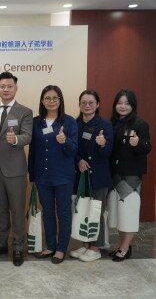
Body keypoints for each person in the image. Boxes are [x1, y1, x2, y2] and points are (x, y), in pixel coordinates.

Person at [0, 72, 33, 267]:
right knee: (1, 210)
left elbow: (28, 136)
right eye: (2, 86)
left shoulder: (25, 112)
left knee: (17, 210)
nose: (5, 89)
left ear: (16, 88)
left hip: (15, 170)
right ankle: (2, 244)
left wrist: (17, 139)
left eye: (9, 86)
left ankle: (19, 246)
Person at [28, 85, 78, 264]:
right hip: (42, 176)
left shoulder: (69, 122)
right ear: (42, 101)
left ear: (60, 100)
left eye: (55, 98)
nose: (51, 101)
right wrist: (32, 175)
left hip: (63, 176)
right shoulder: (36, 122)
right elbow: (32, 150)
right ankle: (50, 246)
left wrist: (65, 141)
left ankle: (61, 249)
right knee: (47, 212)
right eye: (47, 98)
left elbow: (74, 150)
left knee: (63, 212)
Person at [69, 90, 113, 262]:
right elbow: (72, 148)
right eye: (83, 102)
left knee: (96, 211)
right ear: (79, 104)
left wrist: (103, 144)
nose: (87, 105)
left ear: (98, 104)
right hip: (80, 175)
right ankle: (86, 244)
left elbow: (108, 152)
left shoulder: (105, 124)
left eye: (91, 102)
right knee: (83, 210)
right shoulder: (75, 123)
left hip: (98, 177)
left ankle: (96, 247)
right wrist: (79, 160)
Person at [109, 89, 151, 262]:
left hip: (131, 177)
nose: (123, 106)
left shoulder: (140, 124)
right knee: (120, 214)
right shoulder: (111, 123)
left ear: (132, 105)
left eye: (127, 103)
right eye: (120, 102)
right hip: (114, 175)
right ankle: (123, 245)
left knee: (130, 214)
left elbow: (148, 147)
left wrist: (138, 142)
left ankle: (125, 248)